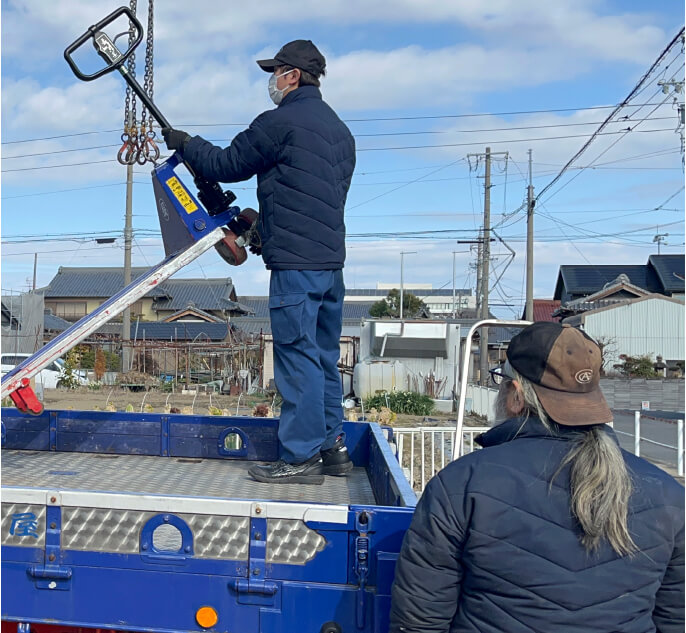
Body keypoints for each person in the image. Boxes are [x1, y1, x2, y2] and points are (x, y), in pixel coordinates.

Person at [390, 322, 684, 633]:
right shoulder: (668, 495)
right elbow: (676, 620)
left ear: (516, 396)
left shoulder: (463, 484)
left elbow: (419, 622)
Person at [161, 40, 356, 485]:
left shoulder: (280, 122)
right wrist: (262, 227)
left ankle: (300, 458)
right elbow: (313, 200)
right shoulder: (341, 134)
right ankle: (332, 448)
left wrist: (187, 145)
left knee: (297, 359)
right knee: (324, 358)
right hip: (330, 265)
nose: (272, 80)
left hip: (296, 268)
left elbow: (227, 163)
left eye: (276, 72)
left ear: (291, 76)